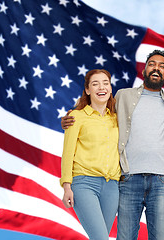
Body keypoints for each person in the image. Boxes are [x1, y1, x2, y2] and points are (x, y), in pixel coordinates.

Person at [62, 50, 164, 240]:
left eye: (162, 66)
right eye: (152, 64)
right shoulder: (124, 96)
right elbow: (95, 106)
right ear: (144, 69)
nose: (156, 68)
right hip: (126, 178)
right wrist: (69, 118)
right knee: (119, 236)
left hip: (156, 180)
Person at [60, 69, 121, 240]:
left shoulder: (117, 118)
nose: (101, 87)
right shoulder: (76, 117)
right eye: (95, 84)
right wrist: (66, 186)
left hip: (112, 187)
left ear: (110, 88)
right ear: (87, 90)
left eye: (105, 83)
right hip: (84, 184)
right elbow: (68, 153)